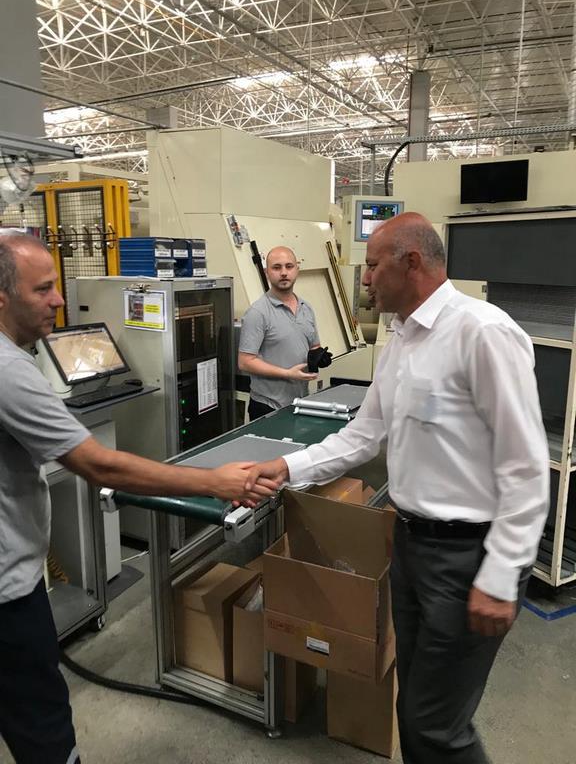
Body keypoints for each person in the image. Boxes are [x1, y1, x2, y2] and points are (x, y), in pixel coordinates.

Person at [245, 212, 549, 764]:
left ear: (411, 263)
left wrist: (502, 573)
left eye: (372, 266)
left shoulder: (482, 332)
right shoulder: (402, 340)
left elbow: (525, 466)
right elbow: (364, 434)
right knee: (413, 706)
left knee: (437, 726)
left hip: (468, 558)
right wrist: (287, 468)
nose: (363, 279)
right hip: (411, 548)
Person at [0, 231, 279, 764]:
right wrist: (213, 482)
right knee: (42, 725)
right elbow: (99, 465)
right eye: (43, 289)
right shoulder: (10, 370)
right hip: (9, 595)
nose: (58, 300)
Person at [238, 246, 321, 420]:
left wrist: (319, 357)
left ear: (297, 269)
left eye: (289, 266)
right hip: (267, 406)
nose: (284, 273)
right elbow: (245, 362)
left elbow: (314, 346)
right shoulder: (258, 313)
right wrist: (287, 373)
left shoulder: (306, 308)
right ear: (267, 272)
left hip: (300, 402)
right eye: (276, 267)